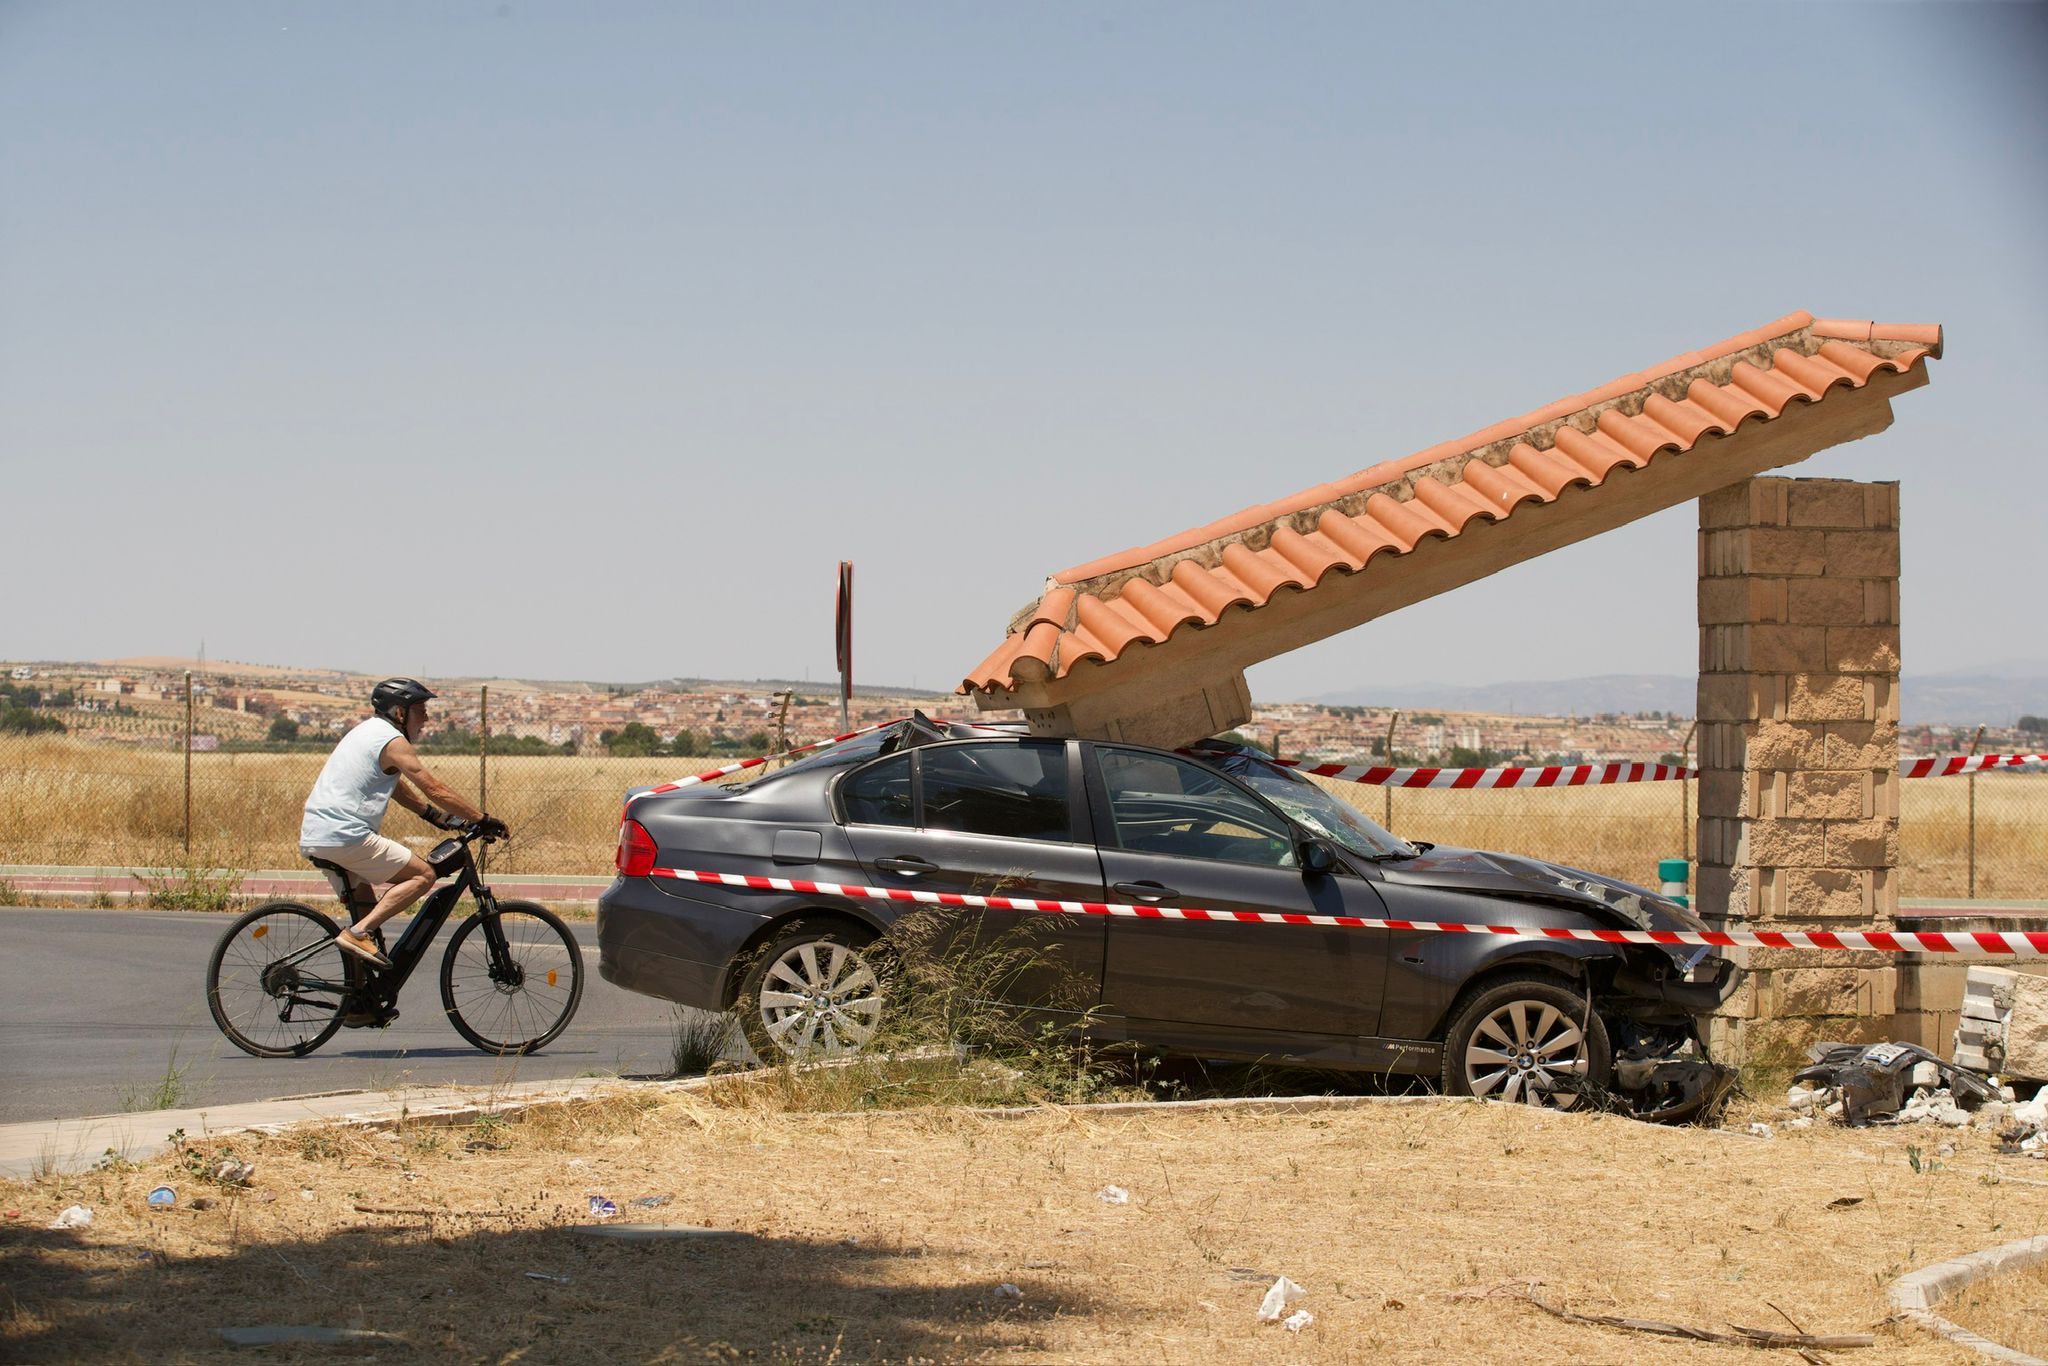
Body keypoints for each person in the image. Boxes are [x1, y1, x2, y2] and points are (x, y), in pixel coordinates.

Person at [299, 678, 501, 973]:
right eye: (421, 710)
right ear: (399, 713)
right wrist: (482, 819)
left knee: (365, 904)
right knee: (422, 875)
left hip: (319, 834)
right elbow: (434, 787)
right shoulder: (393, 742)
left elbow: (393, 784)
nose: (427, 718)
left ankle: (359, 1004)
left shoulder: (367, 733)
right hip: (346, 835)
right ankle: (358, 934)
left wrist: (431, 814)